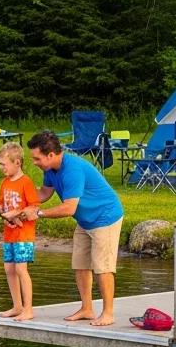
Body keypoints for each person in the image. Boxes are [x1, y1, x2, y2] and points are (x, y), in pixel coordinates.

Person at [20, 129, 124, 327]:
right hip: (85, 220)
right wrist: (19, 199)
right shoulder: (50, 170)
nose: (34, 162)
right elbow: (43, 193)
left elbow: (69, 208)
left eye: (37, 158)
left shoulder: (72, 170)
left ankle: (108, 313)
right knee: (80, 264)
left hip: (105, 217)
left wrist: (39, 213)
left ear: (50, 155)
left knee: (102, 267)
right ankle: (87, 309)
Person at [0, 142, 41, 320]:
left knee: (22, 269)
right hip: (9, 235)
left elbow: (34, 208)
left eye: (4, 164)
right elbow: (2, 207)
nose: (1, 168)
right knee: (9, 269)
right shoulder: (5, 183)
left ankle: (28, 309)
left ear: (17, 163)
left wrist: (17, 214)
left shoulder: (26, 182)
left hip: (24, 235)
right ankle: (17, 306)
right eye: (0, 164)